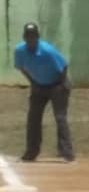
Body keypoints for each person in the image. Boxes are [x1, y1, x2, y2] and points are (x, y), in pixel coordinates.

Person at [13, 22, 76, 163]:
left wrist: (61, 85)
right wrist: (33, 82)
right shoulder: (19, 51)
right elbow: (21, 67)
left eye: (33, 37)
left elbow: (63, 66)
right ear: (24, 37)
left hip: (57, 84)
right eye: (28, 37)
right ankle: (31, 152)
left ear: (38, 37)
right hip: (39, 86)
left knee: (60, 117)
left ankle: (67, 153)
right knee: (33, 118)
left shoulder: (47, 51)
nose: (31, 40)